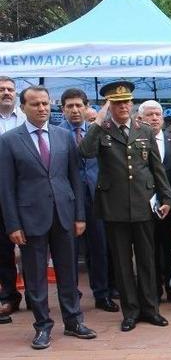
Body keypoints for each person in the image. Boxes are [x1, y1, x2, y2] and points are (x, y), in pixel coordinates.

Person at [0, 85, 96, 348]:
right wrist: (13, 224)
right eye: (35, 104)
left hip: (64, 215)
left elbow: (75, 179)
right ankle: (42, 326)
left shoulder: (63, 136)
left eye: (45, 104)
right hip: (30, 219)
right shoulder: (8, 141)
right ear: (23, 108)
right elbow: (6, 188)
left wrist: (79, 215)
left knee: (69, 273)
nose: (42, 108)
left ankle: (74, 321)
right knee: (36, 276)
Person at [79, 81, 171, 332]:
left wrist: (166, 198)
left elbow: (156, 167)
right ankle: (130, 312)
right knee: (122, 263)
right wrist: (98, 121)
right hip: (115, 207)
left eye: (126, 102)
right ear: (109, 106)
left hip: (143, 204)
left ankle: (150, 309)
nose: (122, 107)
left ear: (132, 104)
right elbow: (85, 152)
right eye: (116, 103)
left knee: (146, 260)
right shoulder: (102, 129)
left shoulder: (144, 130)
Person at [58, 88, 118, 313]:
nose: (74, 110)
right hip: (68, 202)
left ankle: (101, 294)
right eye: (69, 106)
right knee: (68, 251)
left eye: (78, 105)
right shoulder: (56, 134)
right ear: (62, 109)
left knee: (99, 248)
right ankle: (71, 295)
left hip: (97, 199)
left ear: (85, 107)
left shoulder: (100, 132)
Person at [137, 100, 171, 306]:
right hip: (144, 205)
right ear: (140, 119)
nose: (155, 118)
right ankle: (152, 291)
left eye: (158, 114)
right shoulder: (135, 140)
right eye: (150, 115)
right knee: (148, 251)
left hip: (170, 205)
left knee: (169, 250)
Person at [0, 76, 25, 320]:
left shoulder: (27, 118)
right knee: (3, 248)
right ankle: (9, 295)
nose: (6, 93)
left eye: (10, 89)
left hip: (26, 192)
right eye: (2, 90)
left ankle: (37, 294)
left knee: (35, 245)